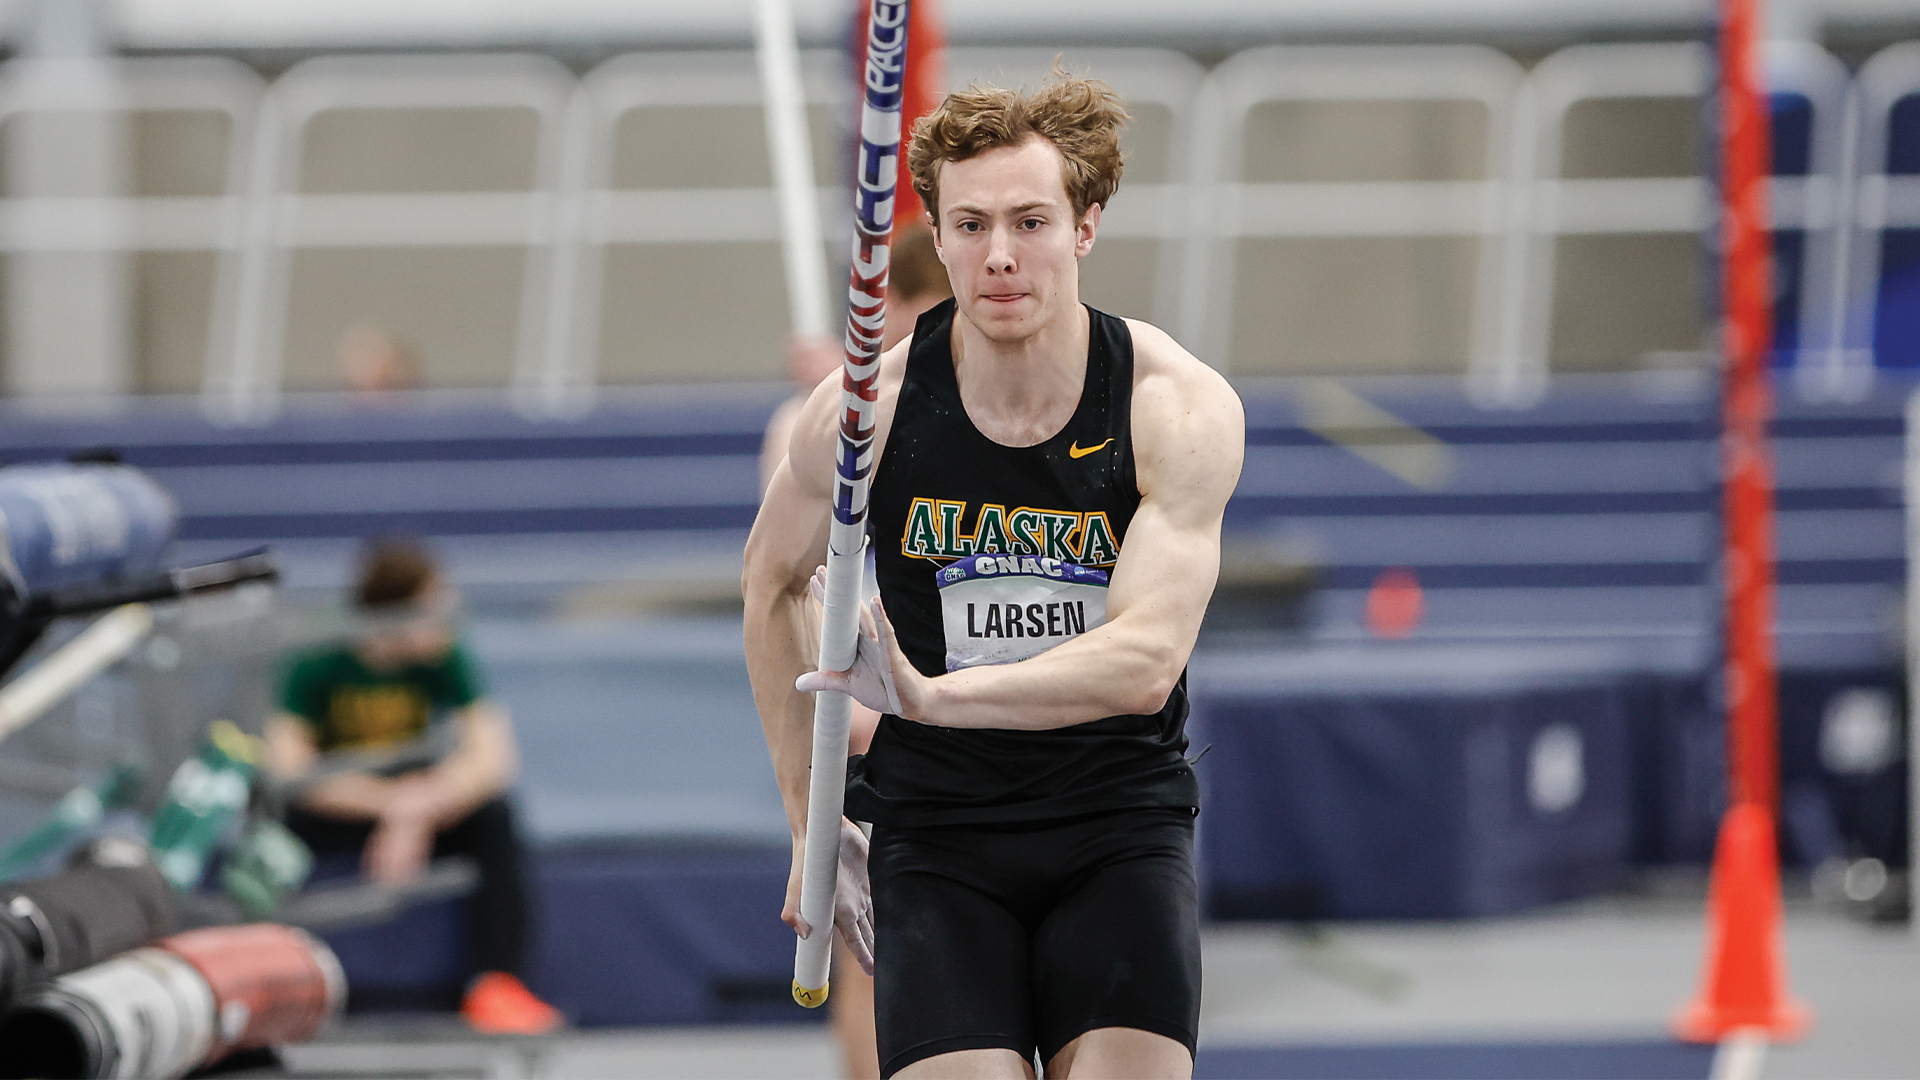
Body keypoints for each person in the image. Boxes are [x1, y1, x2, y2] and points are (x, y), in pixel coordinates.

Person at [743, 71, 1244, 1080]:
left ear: (1086, 226)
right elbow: (771, 584)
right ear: (936, 228)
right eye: (970, 226)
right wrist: (811, 811)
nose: (1001, 256)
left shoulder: (1170, 405)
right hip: (937, 839)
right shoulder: (863, 416)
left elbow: (1144, 661)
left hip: (1116, 822)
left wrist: (935, 695)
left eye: (1030, 221)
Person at [758, 225, 952, 1080]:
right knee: (872, 955)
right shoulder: (824, 417)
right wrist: (838, 409)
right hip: (864, 713)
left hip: (955, 707)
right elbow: (786, 580)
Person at [264, 538, 562, 1035]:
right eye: (433, 605)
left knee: (497, 818)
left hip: (418, 803)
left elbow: (495, 758)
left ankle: (497, 986)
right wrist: (389, 806)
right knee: (269, 838)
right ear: (394, 614)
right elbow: (290, 769)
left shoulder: (442, 655)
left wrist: (420, 807)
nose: (448, 617)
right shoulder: (318, 656)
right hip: (338, 808)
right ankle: (272, 986)